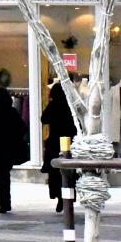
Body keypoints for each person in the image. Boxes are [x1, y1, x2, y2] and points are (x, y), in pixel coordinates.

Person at [0, 87, 27, 213]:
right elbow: (22, 127)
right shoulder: (11, 111)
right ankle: (6, 202)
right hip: (9, 147)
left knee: (0, 176)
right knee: (5, 175)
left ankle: (4, 203)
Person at [40, 82, 79, 213]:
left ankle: (59, 198)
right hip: (69, 142)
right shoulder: (70, 106)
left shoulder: (53, 105)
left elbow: (43, 119)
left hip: (55, 142)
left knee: (56, 171)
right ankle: (69, 197)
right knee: (69, 171)